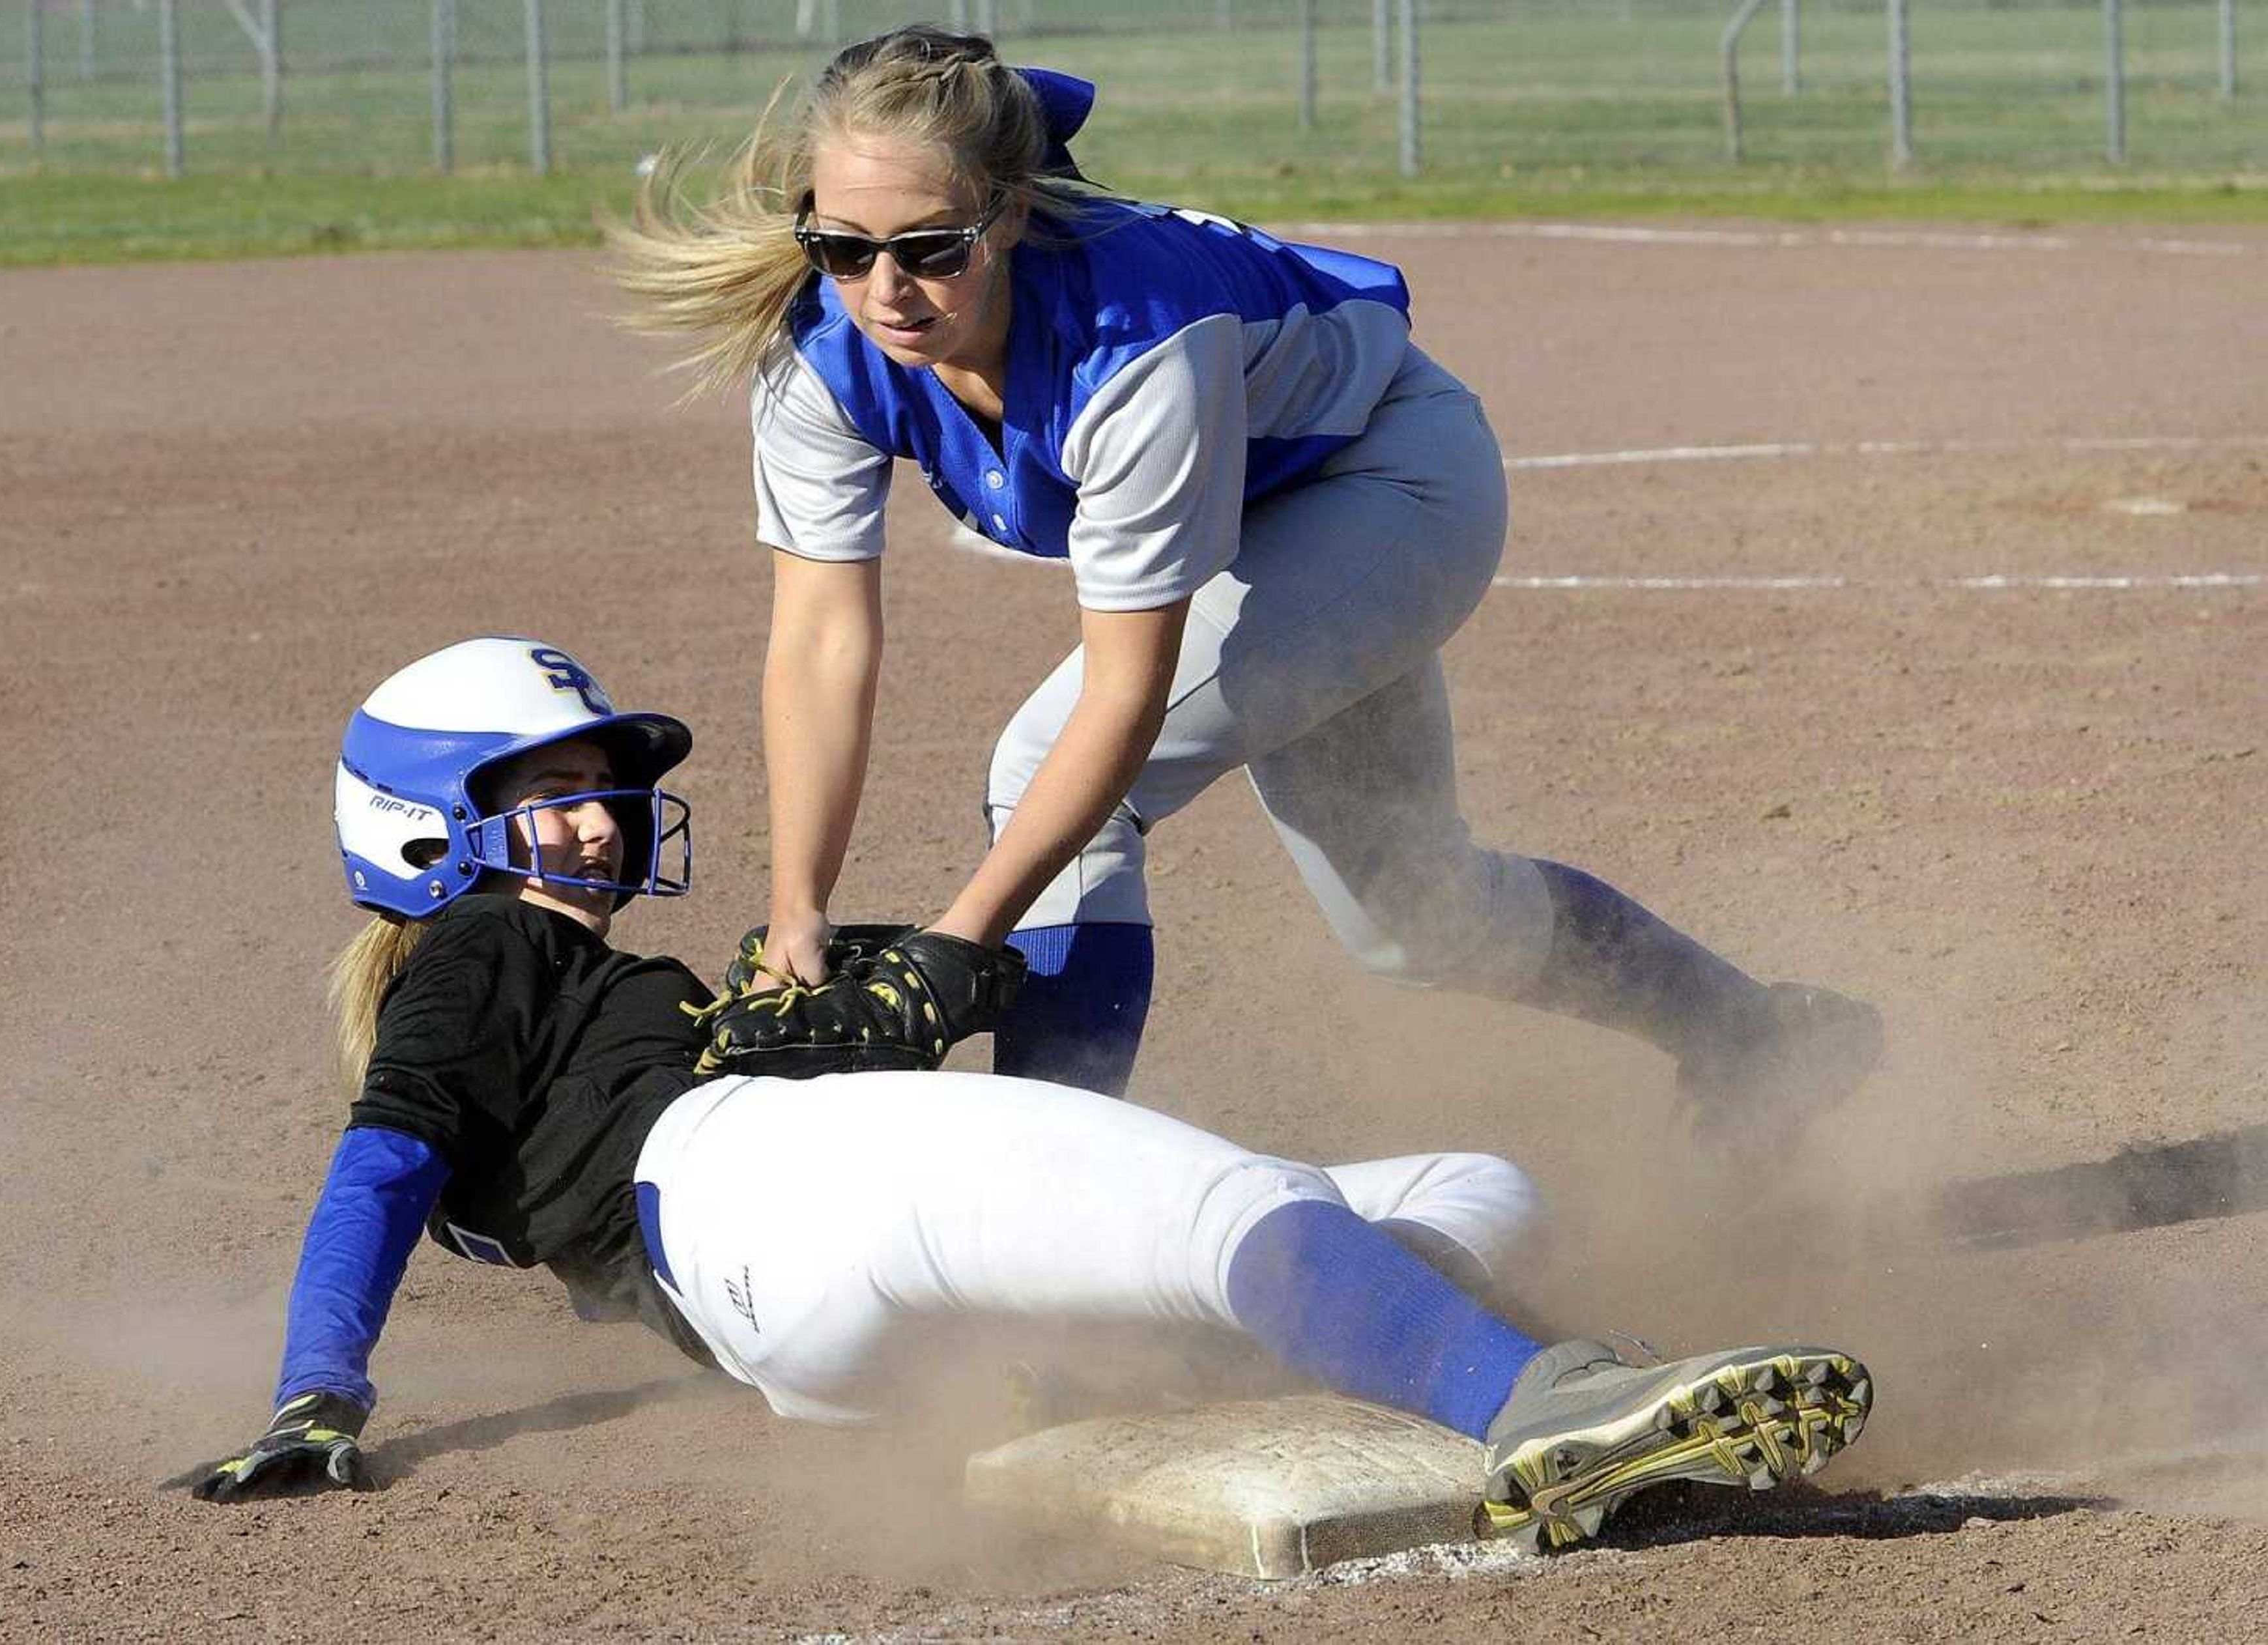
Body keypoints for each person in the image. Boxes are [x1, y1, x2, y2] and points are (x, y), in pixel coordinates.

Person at [188, 635, 1874, 1552]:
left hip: (805, 1295)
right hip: (756, 1186)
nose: (593, 824)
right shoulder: (470, 952)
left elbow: (1025, 1070)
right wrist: (317, 1385)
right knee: (1230, 1209)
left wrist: (948, 974)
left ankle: (1333, 1360)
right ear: (420, 828)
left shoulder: (619, 1001)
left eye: (598, 796)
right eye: (545, 795)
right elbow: (378, 1166)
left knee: (1463, 1185)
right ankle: (1540, 1403)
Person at [612, 25, 1884, 1119]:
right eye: (842, 245)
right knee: (1416, 920)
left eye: (930, 247)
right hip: (1276, 520)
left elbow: (1127, 694)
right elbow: (823, 644)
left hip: (1386, 487)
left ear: (1007, 215)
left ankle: (1043, 1239)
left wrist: (962, 940)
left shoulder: (1134, 340)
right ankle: (1755, 1036)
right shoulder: (823, 347)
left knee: (1053, 792)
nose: (883, 288)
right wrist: (798, 911)